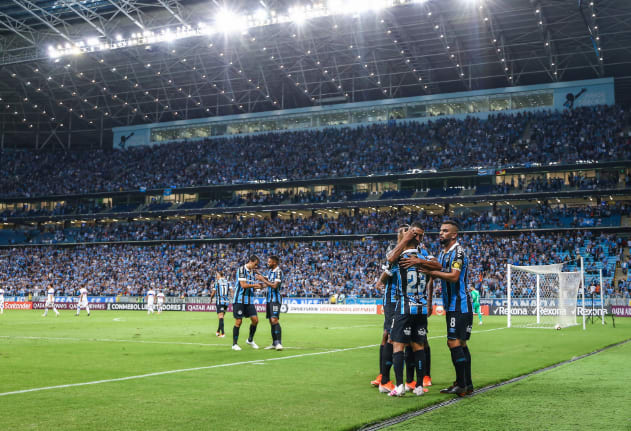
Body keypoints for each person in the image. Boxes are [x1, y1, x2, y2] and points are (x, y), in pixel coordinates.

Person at [388, 223, 441, 397]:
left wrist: (404, 240)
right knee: (419, 347)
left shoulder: (402, 256)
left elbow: (390, 258)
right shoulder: (423, 257)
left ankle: (399, 386)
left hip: (405, 307)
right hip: (420, 308)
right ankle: (418, 386)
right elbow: (438, 266)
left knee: (398, 346)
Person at [427, 220, 473, 396]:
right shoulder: (442, 254)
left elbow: (454, 277)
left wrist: (432, 272)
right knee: (460, 343)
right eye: (440, 230)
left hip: (459, 305)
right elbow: (434, 276)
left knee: (453, 342)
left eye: (445, 231)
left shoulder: (458, 252)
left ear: (454, 235)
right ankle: (466, 384)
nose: (441, 233)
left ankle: (461, 384)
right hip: (452, 306)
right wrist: (430, 302)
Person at [373, 226, 407, 394]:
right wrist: (381, 280)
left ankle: (383, 376)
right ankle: (385, 379)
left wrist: (381, 280)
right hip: (394, 300)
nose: (405, 232)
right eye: (403, 231)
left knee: (388, 336)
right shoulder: (395, 252)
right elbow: (389, 270)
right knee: (392, 337)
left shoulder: (405, 251)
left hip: (397, 300)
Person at [232, 255, 265, 351]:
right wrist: (255, 284)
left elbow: (252, 286)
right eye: (255, 264)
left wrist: (261, 286)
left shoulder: (251, 272)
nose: (256, 267)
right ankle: (234, 344)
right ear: (250, 261)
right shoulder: (241, 270)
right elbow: (243, 285)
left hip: (249, 300)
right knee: (238, 321)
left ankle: (250, 340)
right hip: (239, 300)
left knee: (255, 320)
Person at [256, 256, 284, 351]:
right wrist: (258, 275)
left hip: (275, 300)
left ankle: (279, 343)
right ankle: (274, 343)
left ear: (274, 263)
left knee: (274, 320)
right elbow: (266, 281)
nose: (268, 263)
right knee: (271, 321)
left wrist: (263, 280)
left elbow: (275, 286)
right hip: (268, 300)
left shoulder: (278, 272)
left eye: (269, 262)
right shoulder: (270, 272)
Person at [210, 271, 230, 338]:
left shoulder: (217, 282)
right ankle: (218, 331)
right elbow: (232, 291)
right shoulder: (228, 282)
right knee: (222, 317)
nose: (216, 276)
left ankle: (223, 333)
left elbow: (213, 293)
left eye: (217, 275)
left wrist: (211, 299)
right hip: (226, 302)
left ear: (219, 275)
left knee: (220, 317)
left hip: (220, 301)